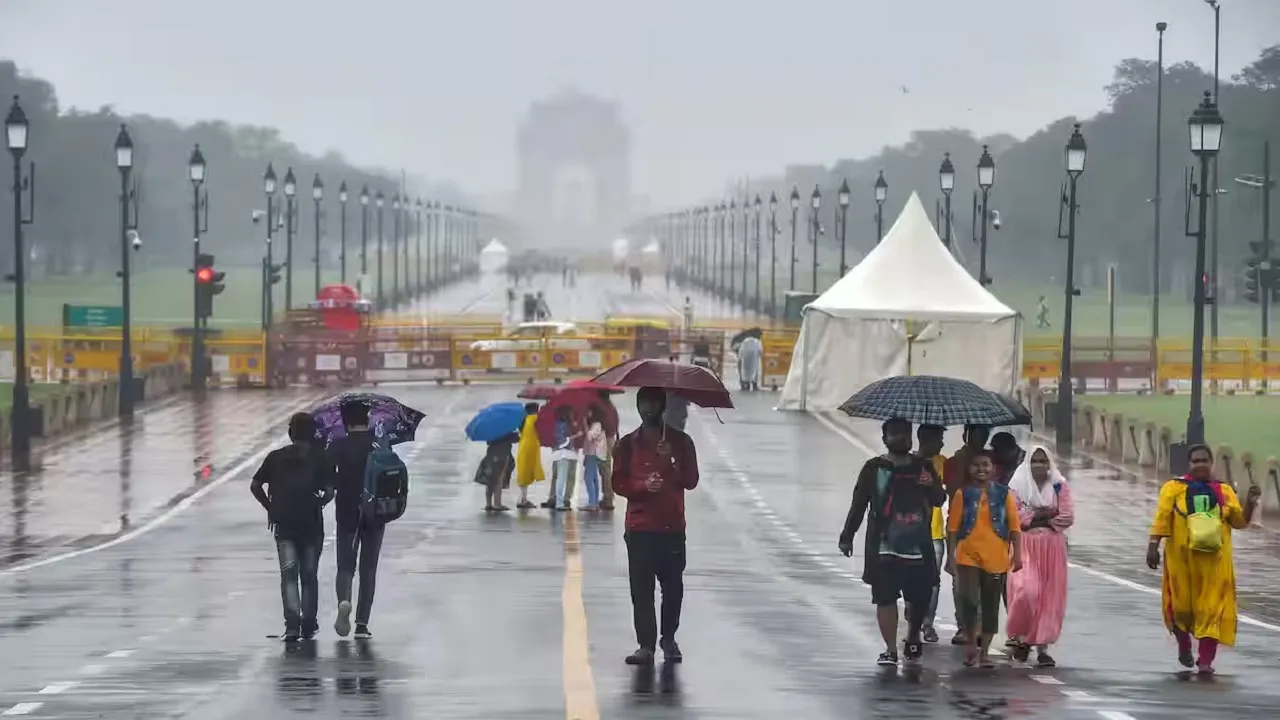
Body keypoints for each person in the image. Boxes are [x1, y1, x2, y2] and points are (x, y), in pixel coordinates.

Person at [839, 418, 945, 666]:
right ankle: (890, 648)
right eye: (895, 433)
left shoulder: (924, 467)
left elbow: (939, 500)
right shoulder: (874, 468)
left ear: (912, 438)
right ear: (885, 438)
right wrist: (847, 535)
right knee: (884, 597)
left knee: (919, 597)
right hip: (882, 546)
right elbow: (859, 504)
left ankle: (912, 635)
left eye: (905, 433)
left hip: (919, 546)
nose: (901, 437)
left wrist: (931, 486)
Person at [1147, 443, 1260, 675]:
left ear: (1211, 463)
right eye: (1195, 461)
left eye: (1204, 461)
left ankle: (1206, 661)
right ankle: (1184, 646)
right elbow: (1161, 518)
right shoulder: (1173, 488)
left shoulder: (1224, 491)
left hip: (1214, 564)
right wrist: (1153, 546)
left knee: (1211, 610)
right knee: (1181, 608)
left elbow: (1240, 522)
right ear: (1189, 464)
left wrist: (1249, 503)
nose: (1200, 465)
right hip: (1181, 562)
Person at [613, 387, 700, 666]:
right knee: (641, 590)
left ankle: (669, 638)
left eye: (652, 403)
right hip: (639, 528)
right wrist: (642, 486)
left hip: (672, 528)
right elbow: (619, 483)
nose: (647, 408)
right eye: (643, 403)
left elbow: (691, 480)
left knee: (673, 588)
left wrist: (671, 460)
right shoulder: (627, 444)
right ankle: (646, 645)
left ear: (662, 406)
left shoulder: (682, 442)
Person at [250, 412, 334, 641]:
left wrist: (270, 508)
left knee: (289, 574)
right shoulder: (320, 457)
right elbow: (329, 492)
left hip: (284, 524)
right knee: (309, 574)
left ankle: (292, 625)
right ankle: (309, 623)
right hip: (311, 525)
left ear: (290, 433)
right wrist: (318, 502)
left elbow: (255, 485)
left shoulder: (275, 457)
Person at [946, 450, 1022, 668]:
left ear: (993, 469)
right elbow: (952, 528)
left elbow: (1015, 527)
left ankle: (985, 651)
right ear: (969, 470)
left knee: (991, 605)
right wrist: (950, 558)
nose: (981, 469)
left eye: (985, 465)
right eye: (976, 465)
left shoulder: (1004, 494)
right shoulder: (963, 494)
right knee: (968, 600)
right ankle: (971, 643)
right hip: (967, 556)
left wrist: (1017, 555)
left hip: (996, 557)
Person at [1005, 446, 1074, 667]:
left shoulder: (1059, 485)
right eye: (1035, 461)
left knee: (1049, 598)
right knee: (1027, 590)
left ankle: (1042, 647)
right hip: (1024, 545)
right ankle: (1021, 636)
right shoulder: (1016, 486)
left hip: (1052, 548)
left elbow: (1066, 515)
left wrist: (1035, 517)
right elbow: (1014, 515)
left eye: (1044, 461)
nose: (1040, 466)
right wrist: (1041, 516)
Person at [326, 401, 385, 640]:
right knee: (368, 569)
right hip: (376, 512)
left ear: (345, 420)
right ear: (368, 417)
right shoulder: (378, 445)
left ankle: (344, 601)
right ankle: (362, 624)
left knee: (345, 566)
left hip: (347, 510)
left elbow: (328, 482)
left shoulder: (338, 446)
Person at [942, 424, 990, 644]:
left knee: (985, 580)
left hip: (988, 529)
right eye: (975, 434)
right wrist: (965, 465)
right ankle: (963, 625)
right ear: (966, 435)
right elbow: (951, 488)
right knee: (960, 581)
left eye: (983, 435)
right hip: (960, 527)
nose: (979, 438)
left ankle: (979, 626)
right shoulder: (954, 462)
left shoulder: (990, 463)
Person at [914, 424, 948, 644]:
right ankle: (913, 620)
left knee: (933, 581)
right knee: (912, 580)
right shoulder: (908, 463)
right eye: (938, 439)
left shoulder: (943, 463)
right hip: (912, 532)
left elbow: (943, 494)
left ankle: (927, 623)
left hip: (936, 531)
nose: (942, 443)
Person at [547, 406, 582, 511]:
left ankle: (558, 500)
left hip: (557, 453)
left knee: (559, 477)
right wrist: (576, 435)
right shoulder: (565, 426)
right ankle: (560, 502)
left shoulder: (555, 424)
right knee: (562, 478)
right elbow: (564, 441)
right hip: (565, 453)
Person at [476, 431, 517, 512]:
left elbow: (488, 442)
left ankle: (488, 504)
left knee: (490, 479)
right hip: (503, 455)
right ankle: (497, 504)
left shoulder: (492, 429)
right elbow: (516, 439)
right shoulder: (506, 429)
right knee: (499, 479)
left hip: (491, 454)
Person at [515, 403, 545, 510]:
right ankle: (522, 500)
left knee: (523, 473)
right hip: (532, 448)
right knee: (527, 473)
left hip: (523, 447)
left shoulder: (523, 420)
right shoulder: (535, 418)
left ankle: (522, 498)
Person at [581, 407, 608, 511]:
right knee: (594, 478)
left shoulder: (597, 424)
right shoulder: (595, 424)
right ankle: (595, 502)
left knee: (588, 477)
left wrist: (584, 425)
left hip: (594, 453)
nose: (587, 413)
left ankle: (592, 502)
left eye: (589, 411)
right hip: (591, 453)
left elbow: (590, 437)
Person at [597, 390, 619, 512]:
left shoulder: (602, 409)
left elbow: (601, 425)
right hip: (611, 439)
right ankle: (608, 496)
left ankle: (608, 499)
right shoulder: (611, 407)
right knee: (607, 470)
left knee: (605, 471)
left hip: (603, 439)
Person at [662, 357, 691, 432]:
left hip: (669, 417)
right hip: (679, 416)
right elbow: (688, 402)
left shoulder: (664, 385)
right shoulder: (683, 384)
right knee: (679, 436)